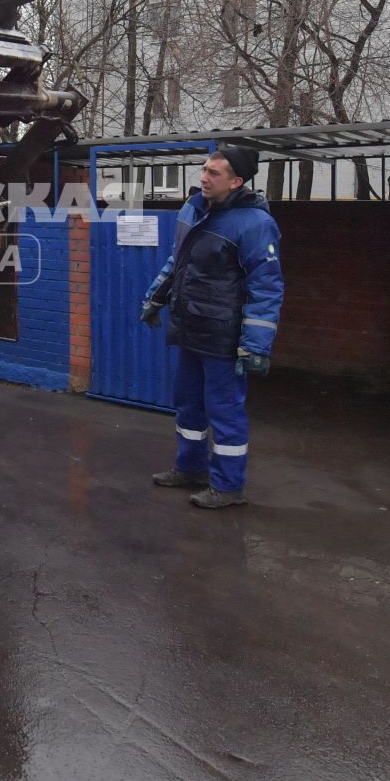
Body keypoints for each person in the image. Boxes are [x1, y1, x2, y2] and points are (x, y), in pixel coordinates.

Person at [140, 143, 283, 509]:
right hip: (189, 324)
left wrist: (255, 345)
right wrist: (156, 296)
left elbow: (265, 288)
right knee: (188, 404)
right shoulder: (192, 208)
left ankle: (228, 487)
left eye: (213, 173)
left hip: (223, 334)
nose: (203, 177)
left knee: (224, 410)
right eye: (204, 169)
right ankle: (190, 469)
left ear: (236, 181)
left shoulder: (255, 224)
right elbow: (179, 260)